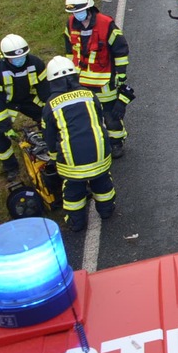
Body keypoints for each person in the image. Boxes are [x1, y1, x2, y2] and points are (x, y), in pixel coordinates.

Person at [42, 56, 115, 233]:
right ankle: (106, 211)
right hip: (100, 154)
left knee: (73, 191)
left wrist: (54, 158)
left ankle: (76, 222)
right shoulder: (89, 95)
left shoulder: (50, 106)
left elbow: (50, 138)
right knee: (102, 182)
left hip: (73, 163)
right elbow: (98, 119)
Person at [64, 0, 131, 158]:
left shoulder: (105, 24)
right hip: (81, 81)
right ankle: (97, 143)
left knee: (111, 115)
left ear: (89, 8)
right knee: (88, 115)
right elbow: (69, 51)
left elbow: (120, 50)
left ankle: (116, 143)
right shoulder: (71, 24)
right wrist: (69, 76)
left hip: (104, 81)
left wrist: (121, 75)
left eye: (78, 11)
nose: (76, 15)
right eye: (73, 12)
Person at [0, 34, 47, 181]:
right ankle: (10, 167)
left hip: (28, 99)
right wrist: (5, 127)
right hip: (5, 103)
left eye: (23, 56)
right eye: (15, 58)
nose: (20, 60)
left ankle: (49, 147)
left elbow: (45, 90)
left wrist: (48, 111)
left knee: (48, 118)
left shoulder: (36, 63)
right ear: (5, 57)